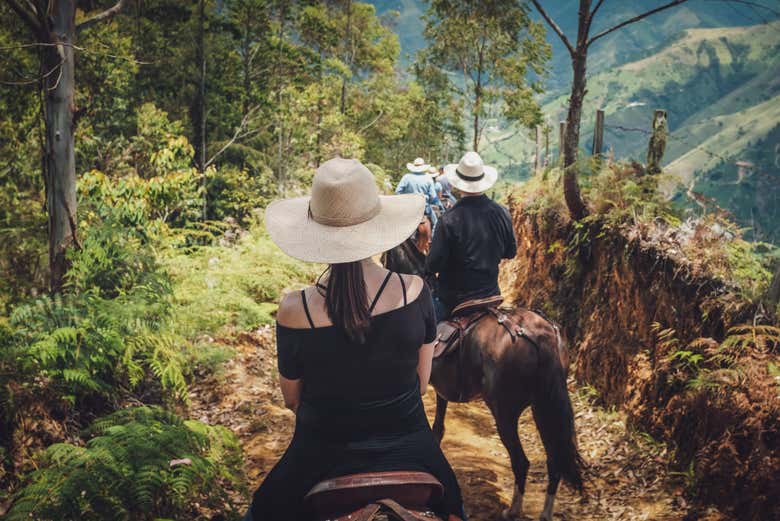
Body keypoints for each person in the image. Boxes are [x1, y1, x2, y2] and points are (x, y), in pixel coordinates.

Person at [249, 158, 465, 521]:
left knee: (259, 512)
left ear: (316, 230)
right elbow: (423, 385)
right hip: (411, 447)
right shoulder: (415, 291)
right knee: (456, 507)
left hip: (318, 452)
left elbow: (292, 399)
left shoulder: (293, 308)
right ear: (377, 225)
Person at [426, 152, 517, 320]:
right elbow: (510, 252)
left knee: (424, 327)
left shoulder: (448, 220)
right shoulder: (502, 212)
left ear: (457, 185)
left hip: (455, 299)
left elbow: (433, 265)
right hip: (491, 294)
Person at [396, 157, 445, 231]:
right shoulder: (428, 178)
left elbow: (398, 191)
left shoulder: (406, 177)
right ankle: (433, 239)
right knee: (436, 224)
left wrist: (404, 200)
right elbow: (433, 196)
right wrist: (434, 202)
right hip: (423, 208)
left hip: (408, 207)